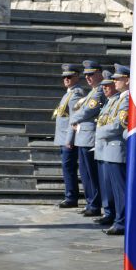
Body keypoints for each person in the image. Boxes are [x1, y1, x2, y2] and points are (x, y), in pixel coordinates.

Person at [69, 60, 106, 217]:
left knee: (92, 173)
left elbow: (88, 111)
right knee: (85, 174)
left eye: (91, 74)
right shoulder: (92, 91)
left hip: (90, 136)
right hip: (83, 136)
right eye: (86, 75)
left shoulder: (99, 91)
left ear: (99, 74)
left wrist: (72, 118)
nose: (88, 77)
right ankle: (90, 202)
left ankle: (95, 204)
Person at [99, 64, 130, 235]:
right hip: (111, 149)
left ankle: (122, 222)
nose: (114, 81)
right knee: (116, 190)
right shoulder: (119, 99)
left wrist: (99, 132)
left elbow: (119, 125)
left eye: (118, 79)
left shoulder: (126, 99)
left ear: (127, 80)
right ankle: (119, 220)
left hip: (118, 148)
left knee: (120, 190)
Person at [54, 63, 85, 209]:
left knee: (69, 168)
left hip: (68, 138)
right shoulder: (69, 93)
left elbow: (74, 118)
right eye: (64, 77)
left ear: (77, 77)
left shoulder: (76, 94)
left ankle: (71, 197)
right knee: (67, 167)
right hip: (63, 137)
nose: (66, 79)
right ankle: (70, 195)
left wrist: (70, 139)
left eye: (69, 77)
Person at [92, 70, 118, 226]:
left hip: (112, 147)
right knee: (105, 184)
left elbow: (117, 125)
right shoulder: (109, 102)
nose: (104, 88)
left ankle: (116, 216)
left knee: (114, 186)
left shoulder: (121, 101)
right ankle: (109, 212)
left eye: (108, 85)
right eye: (103, 86)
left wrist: (98, 132)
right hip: (103, 148)